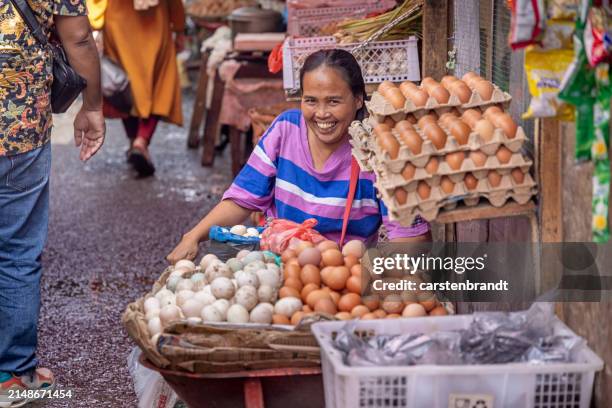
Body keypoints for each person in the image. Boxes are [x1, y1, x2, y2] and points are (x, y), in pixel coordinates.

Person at [167, 49, 430, 264]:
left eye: (334, 101)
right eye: (311, 100)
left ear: (358, 100)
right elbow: (244, 198)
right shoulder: (285, 130)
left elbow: (409, 235)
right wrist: (193, 236)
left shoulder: (379, 152)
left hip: (347, 275)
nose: (322, 113)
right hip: (282, 268)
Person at [0, 0, 105, 406]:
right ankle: (11, 375)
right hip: (17, 128)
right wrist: (92, 107)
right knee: (16, 250)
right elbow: (77, 36)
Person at [102, 0, 185, 177]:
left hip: (118, 18)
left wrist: (94, 23)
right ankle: (142, 140)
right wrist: (179, 26)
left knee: (125, 83)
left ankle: (133, 141)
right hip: (156, 18)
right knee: (159, 82)